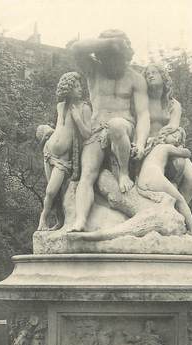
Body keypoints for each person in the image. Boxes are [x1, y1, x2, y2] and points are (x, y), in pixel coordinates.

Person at [69, 29, 150, 232]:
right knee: (87, 174)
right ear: (103, 55)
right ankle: (80, 220)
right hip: (96, 129)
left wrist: (140, 143)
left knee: (116, 124)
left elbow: (143, 115)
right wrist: (110, 42)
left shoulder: (136, 79)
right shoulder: (94, 70)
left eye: (120, 58)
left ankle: (123, 173)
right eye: (111, 57)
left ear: (126, 56)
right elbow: (76, 48)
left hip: (123, 127)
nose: (116, 64)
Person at [36, 72, 91, 231]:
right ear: (68, 88)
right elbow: (59, 128)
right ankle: (58, 221)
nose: (80, 89)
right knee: (56, 192)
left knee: (51, 191)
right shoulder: (60, 106)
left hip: (62, 159)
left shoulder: (84, 108)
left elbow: (88, 134)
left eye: (80, 85)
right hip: (48, 152)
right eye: (76, 86)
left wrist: (78, 119)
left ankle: (42, 220)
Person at [142, 63, 192, 203]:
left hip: (168, 143)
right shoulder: (142, 102)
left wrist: (164, 137)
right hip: (147, 145)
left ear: (163, 77)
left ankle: (178, 214)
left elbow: (173, 126)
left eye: (154, 72)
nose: (150, 75)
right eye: (147, 74)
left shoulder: (174, 105)